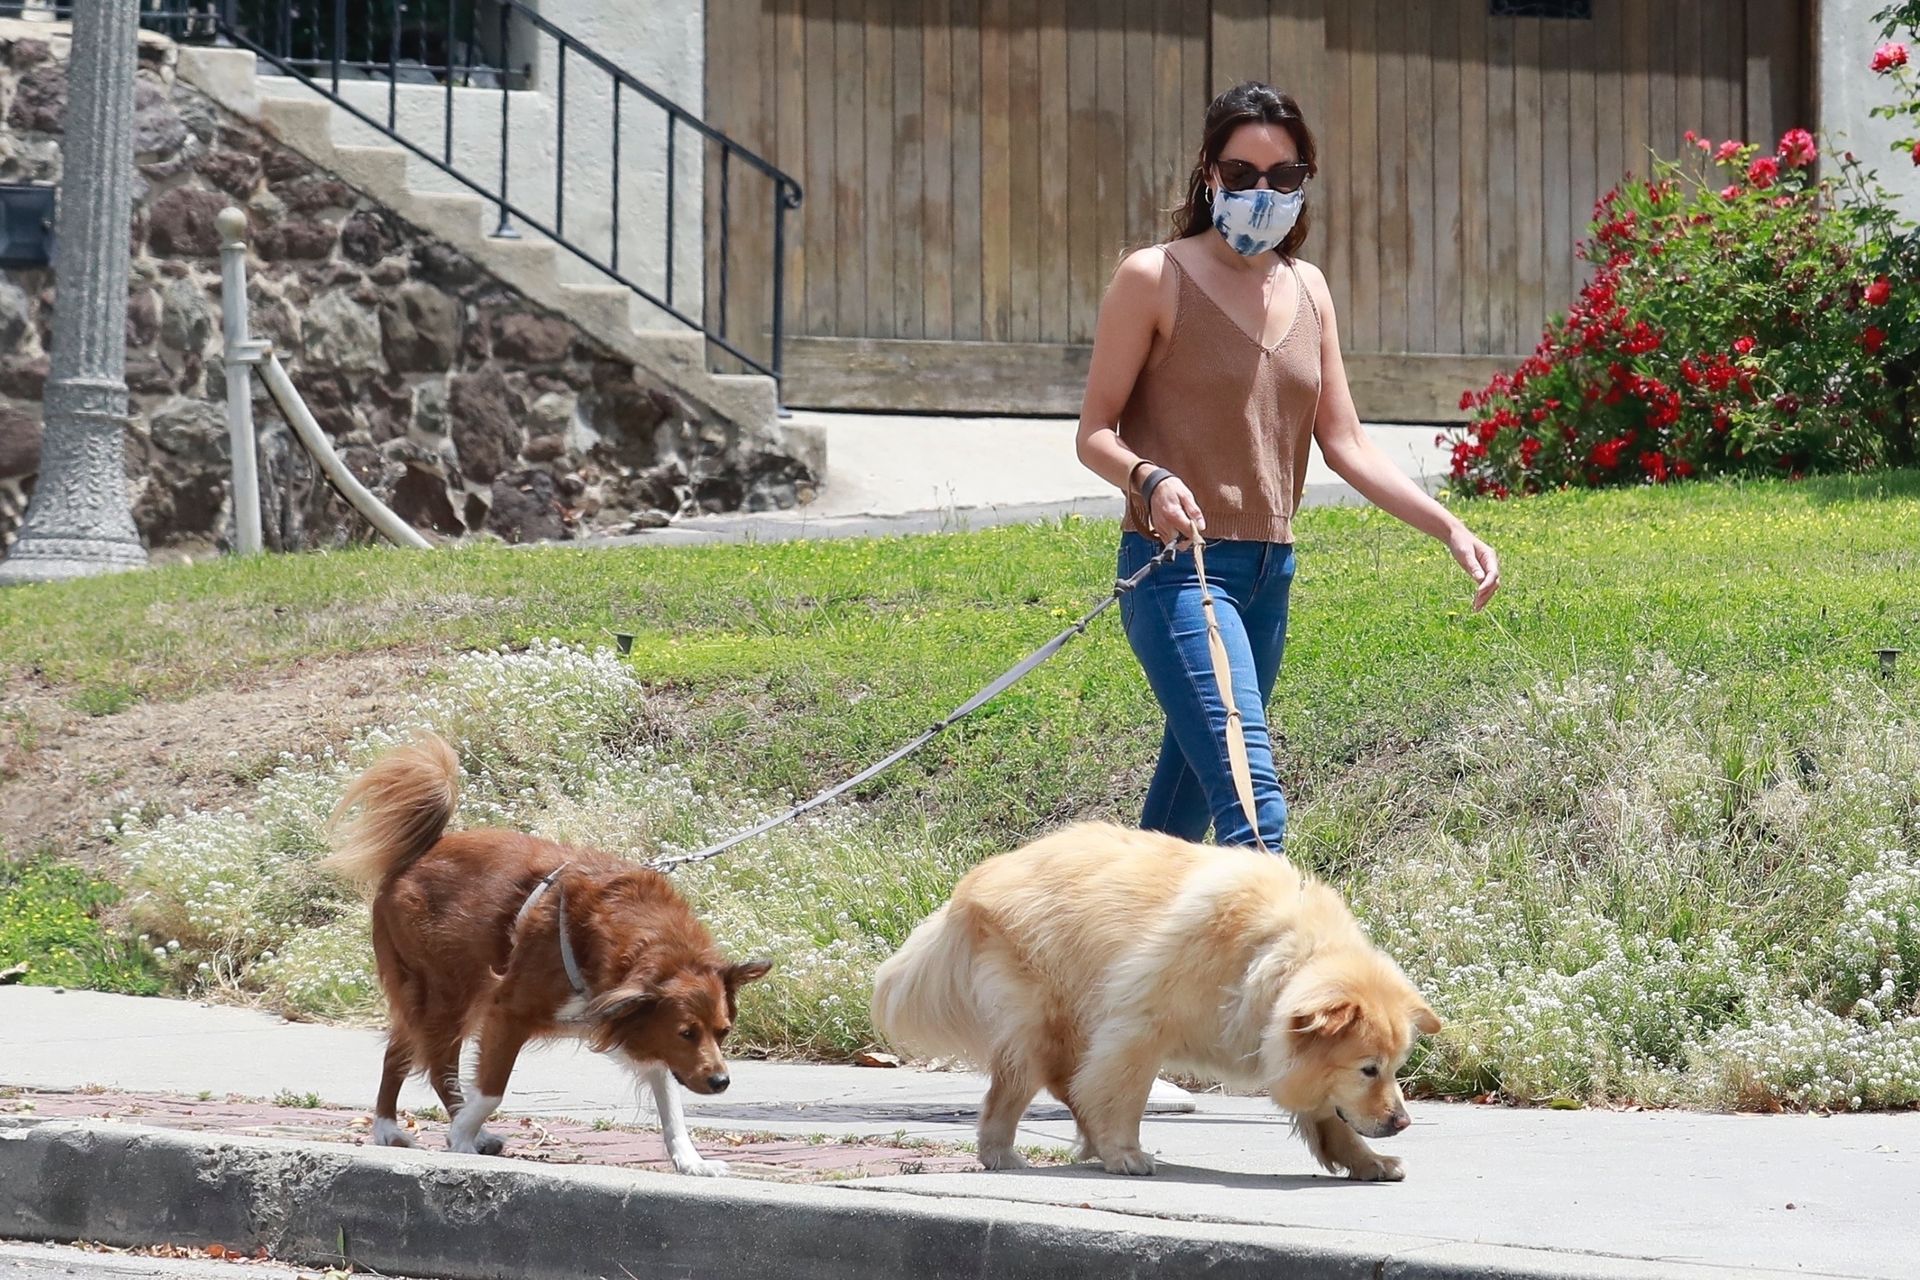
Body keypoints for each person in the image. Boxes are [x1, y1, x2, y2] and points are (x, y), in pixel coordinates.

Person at [1076, 81, 1502, 858]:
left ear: (1304, 181)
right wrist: (1151, 479)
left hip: (1270, 577)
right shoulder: (1153, 276)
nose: (1261, 192)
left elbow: (1346, 443)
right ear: (1209, 174)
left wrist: (1450, 527)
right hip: (1178, 573)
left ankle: (1109, 963)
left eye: (1282, 176)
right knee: (1252, 808)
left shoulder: (1309, 288)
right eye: (1241, 175)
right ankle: (1286, 979)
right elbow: (1094, 433)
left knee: (1179, 826)